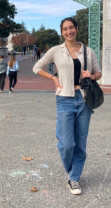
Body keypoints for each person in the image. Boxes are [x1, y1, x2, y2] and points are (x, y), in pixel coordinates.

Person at [33, 17, 101, 195]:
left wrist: (91, 76)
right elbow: (37, 67)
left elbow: (98, 73)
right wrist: (53, 77)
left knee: (80, 143)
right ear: (62, 32)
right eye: (65, 29)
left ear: (77, 29)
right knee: (65, 144)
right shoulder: (56, 51)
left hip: (84, 99)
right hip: (64, 99)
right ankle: (72, 170)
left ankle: (74, 178)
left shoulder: (88, 52)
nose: (69, 31)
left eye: (71, 28)